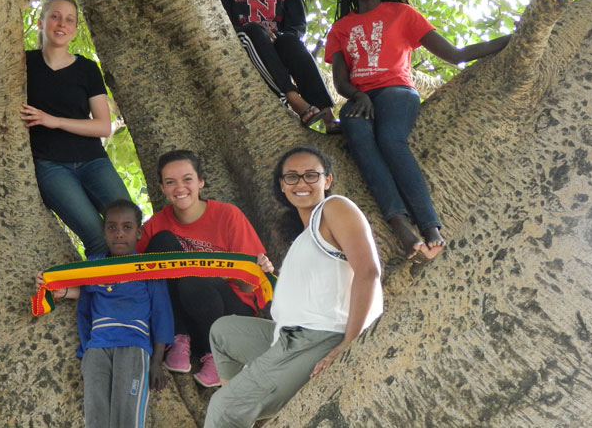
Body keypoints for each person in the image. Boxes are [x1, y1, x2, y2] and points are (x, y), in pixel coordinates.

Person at [324, 0, 511, 262]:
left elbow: (456, 54)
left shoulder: (402, 14)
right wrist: (358, 96)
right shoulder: (341, 28)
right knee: (359, 137)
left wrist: (514, 38)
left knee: (390, 140)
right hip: (360, 98)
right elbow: (341, 81)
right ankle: (400, 226)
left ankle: (430, 226)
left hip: (396, 92)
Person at [204, 146, 383, 427]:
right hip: (287, 336)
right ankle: (249, 402)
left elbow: (369, 271)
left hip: (321, 337)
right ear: (282, 185)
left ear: (328, 180)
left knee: (223, 408)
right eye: (292, 177)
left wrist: (351, 341)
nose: (301, 183)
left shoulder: (334, 207)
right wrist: (267, 275)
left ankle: (240, 405)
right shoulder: (305, 235)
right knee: (223, 331)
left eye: (311, 175)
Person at [135, 150, 268, 387]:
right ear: (163, 188)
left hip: (231, 315)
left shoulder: (228, 216)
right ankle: (178, 339)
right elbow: (135, 275)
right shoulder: (156, 225)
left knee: (193, 280)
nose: (179, 187)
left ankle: (218, 357)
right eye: (170, 182)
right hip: (188, 320)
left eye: (187, 179)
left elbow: (248, 286)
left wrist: (254, 269)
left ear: (201, 182)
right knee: (162, 242)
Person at [22, 0, 133, 258]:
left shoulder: (87, 69)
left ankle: (139, 294)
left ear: (74, 29)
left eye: (70, 20)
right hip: (51, 166)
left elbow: (103, 126)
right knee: (97, 238)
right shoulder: (23, 63)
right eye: (55, 16)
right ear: (41, 22)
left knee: (128, 230)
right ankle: (105, 296)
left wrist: (54, 121)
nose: (62, 24)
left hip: (93, 161)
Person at [215, 0, 340, 133]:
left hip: (277, 51)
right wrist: (259, 32)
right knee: (254, 30)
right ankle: (293, 99)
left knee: (289, 40)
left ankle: (328, 116)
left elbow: (298, 27)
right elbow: (220, 25)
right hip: (245, 46)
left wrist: (279, 36)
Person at [76, 199, 173, 428]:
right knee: (95, 416)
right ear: (104, 232)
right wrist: (86, 349)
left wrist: (157, 361)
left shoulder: (149, 269)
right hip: (97, 350)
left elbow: (162, 313)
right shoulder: (93, 267)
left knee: (127, 416)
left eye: (127, 227)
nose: (119, 233)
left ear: (139, 233)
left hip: (133, 347)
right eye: (112, 227)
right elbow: (84, 312)